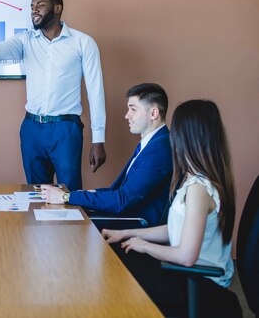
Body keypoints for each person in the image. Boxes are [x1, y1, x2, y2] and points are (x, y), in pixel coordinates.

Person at [101, 100, 241, 317]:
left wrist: (145, 246)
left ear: (187, 137)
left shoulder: (198, 189)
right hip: (187, 276)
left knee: (116, 272)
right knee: (118, 254)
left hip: (197, 282)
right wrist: (126, 233)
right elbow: (175, 229)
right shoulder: (196, 180)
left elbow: (186, 256)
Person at [0, 0, 105, 190]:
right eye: (32, 6)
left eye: (40, 5)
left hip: (66, 129)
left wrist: (98, 140)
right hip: (32, 128)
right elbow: (1, 49)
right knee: (36, 193)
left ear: (58, 9)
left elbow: (95, 91)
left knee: (70, 193)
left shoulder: (83, 43)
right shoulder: (25, 40)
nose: (34, 9)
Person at [41, 83, 172, 226]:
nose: (127, 115)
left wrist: (67, 196)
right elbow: (118, 192)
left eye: (133, 109)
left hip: (133, 223)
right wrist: (84, 194)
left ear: (153, 113)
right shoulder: (153, 143)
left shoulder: (159, 150)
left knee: (60, 222)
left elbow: (122, 200)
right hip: (123, 216)